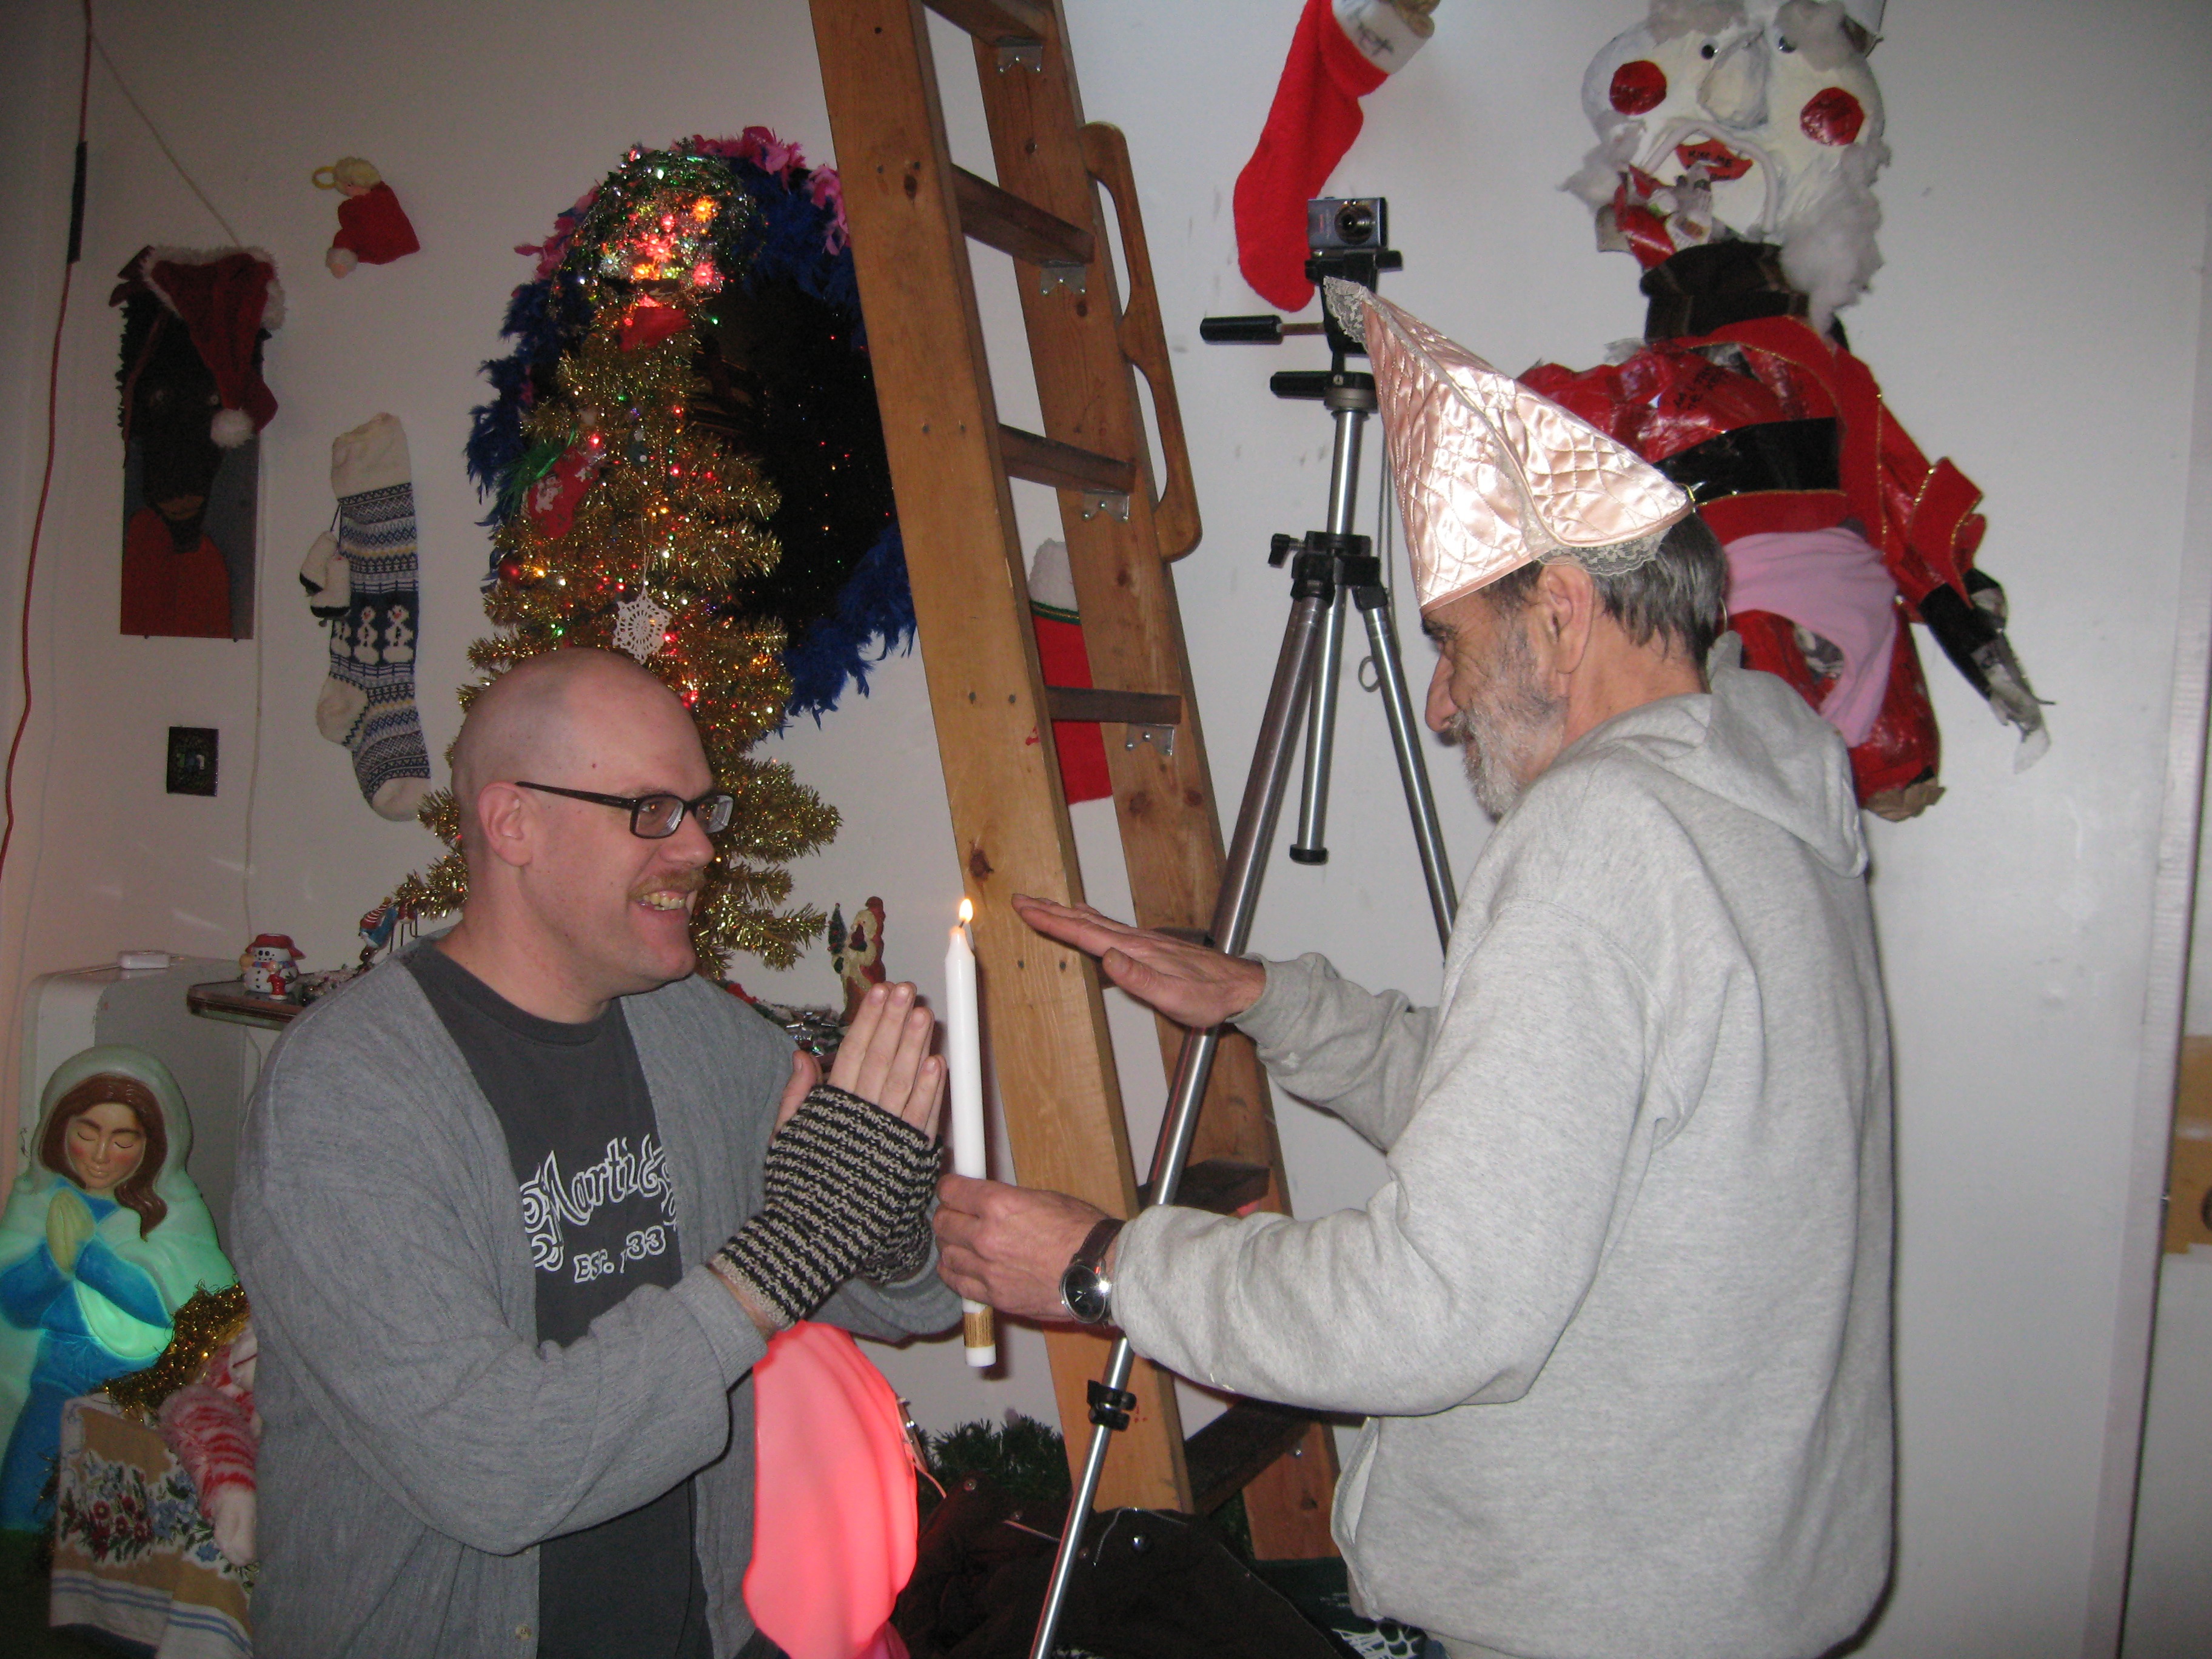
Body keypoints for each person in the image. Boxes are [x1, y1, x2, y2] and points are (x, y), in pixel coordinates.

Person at [934, 284, 1894, 1659]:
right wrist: (1273, 1004)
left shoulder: (1603, 831)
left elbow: (1433, 1308)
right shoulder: (1756, 795)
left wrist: (1102, 1264)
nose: (1437, 703)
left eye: (1448, 639)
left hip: (1601, 1622)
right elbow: (1578, 1138)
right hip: (1726, 1590)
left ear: (1559, 611)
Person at [232, 647, 960, 1658]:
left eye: (702, 809)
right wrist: (782, 1254)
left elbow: (916, 1299)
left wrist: (886, 1211)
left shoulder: (697, 1035)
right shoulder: (345, 1097)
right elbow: (496, 1473)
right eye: (652, 810)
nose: (699, 847)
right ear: (513, 824)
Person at [0, 1045, 236, 1529]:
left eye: (123, 1140)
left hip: (146, 1388)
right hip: (59, 1377)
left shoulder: (175, 1213)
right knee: (22, 1503)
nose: (101, 1155)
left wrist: (90, 1261)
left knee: (124, 1517)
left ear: (154, 1145)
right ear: (59, 1129)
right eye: (87, 1134)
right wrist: (51, 1264)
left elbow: (187, 1304)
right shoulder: (39, 1203)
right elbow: (16, 1307)